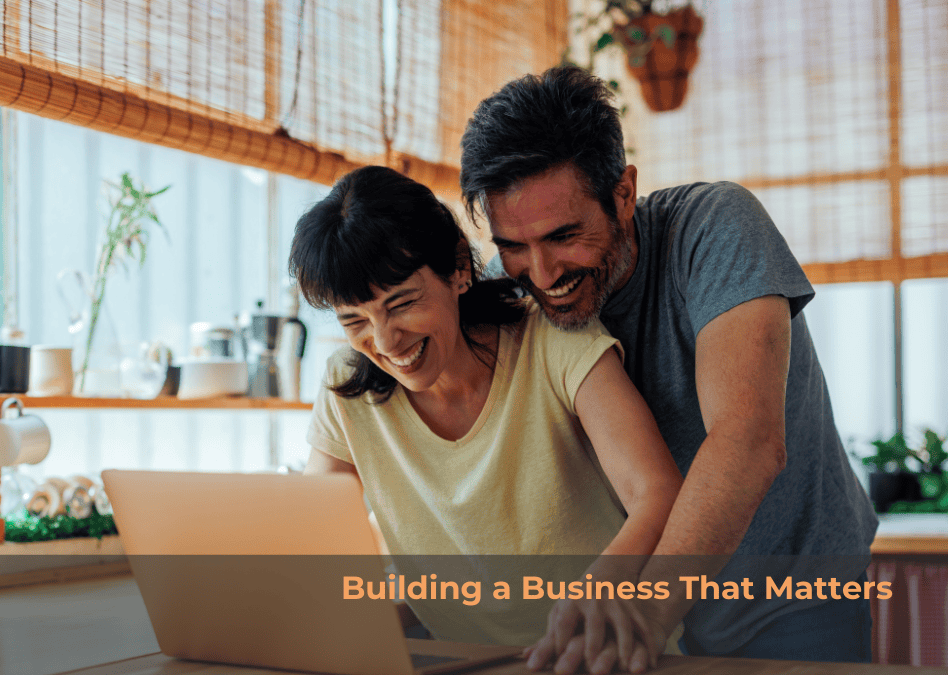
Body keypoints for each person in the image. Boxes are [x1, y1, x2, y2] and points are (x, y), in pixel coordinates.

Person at [459, 64, 879, 671]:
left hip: (795, 603)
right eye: (513, 246)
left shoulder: (715, 227)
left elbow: (749, 439)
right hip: (651, 617)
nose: (543, 274)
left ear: (624, 194)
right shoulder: (511, 293)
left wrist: (650, 607)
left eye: (565, 236)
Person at [290, 165, 683, 661]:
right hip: (466, 663)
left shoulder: (553, 339)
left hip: (602, 655)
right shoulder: (347, 387)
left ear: (458, 269)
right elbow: (312, 541)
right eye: (355, 320)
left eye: (403, 303)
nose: (385, 342)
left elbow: (658, 492)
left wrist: (602, 591)